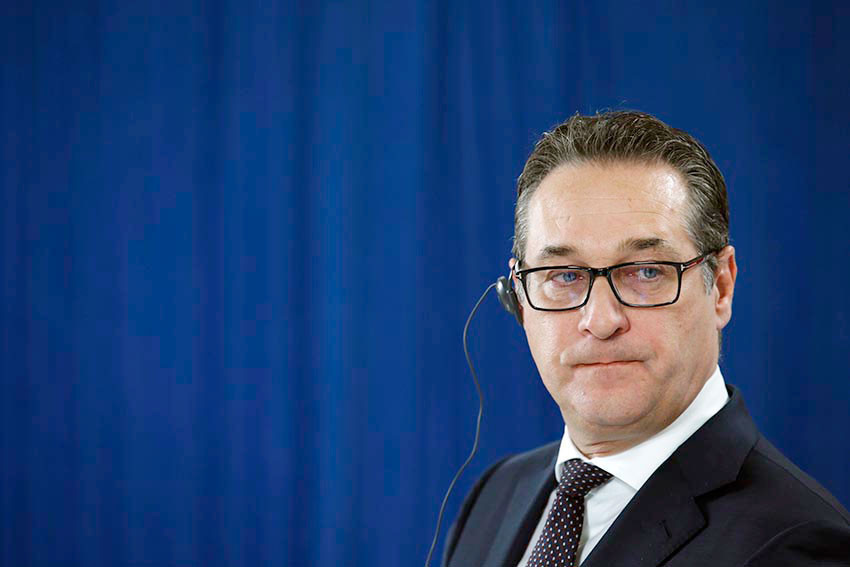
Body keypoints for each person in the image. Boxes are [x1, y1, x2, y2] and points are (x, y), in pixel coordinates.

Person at [442, 111, 850, 566]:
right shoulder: (495, 497)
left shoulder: (797, 545)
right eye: (564, 275)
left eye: (647, 272)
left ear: (720, 288)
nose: (601, 321)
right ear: (518, 297)